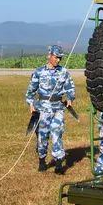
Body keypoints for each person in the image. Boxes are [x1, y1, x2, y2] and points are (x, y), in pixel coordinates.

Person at [25, 44, 77, 174]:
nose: (58, 60)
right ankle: (42, 160)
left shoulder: (63, 72)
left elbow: (70, 88)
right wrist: (31, 104)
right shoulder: (39, 72)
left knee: (56, 132)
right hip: (42, 109)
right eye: (56, 57)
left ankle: (59, 164)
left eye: (60, 58)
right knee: (42, 137)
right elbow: (31, 90)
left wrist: (70, 98)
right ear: (49, 56)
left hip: (57, 108)